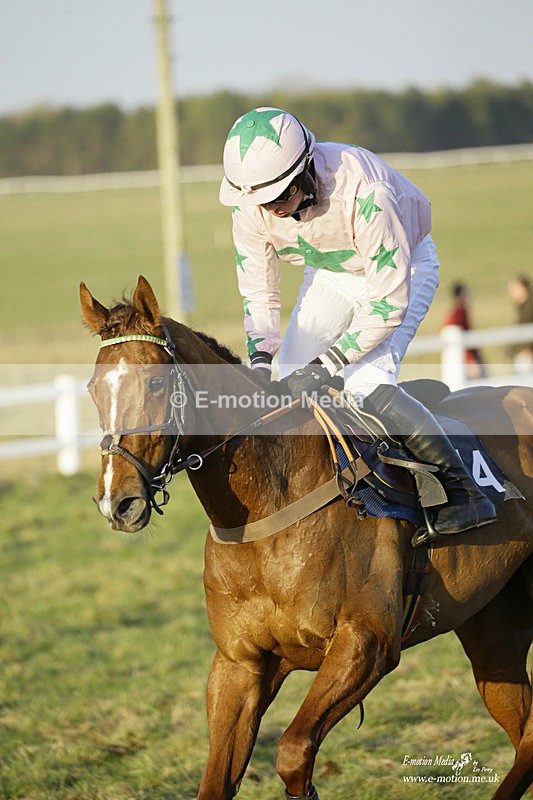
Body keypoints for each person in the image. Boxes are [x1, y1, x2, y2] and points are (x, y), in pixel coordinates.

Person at [219, 107, 496, 536]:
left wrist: (328, 364)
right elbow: (260, 291)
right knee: (287, 376)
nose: (270, 211)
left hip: (401, 269)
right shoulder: (250, 206)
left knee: (364, 384)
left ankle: (463, 492)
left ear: (306, 171)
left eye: (280, 198)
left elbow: (387, 304)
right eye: (261, 202)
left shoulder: (368, 193)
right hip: (332, 272)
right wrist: (260, 358)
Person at [441, 282, 486, 379]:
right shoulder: (460, 312)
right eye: (466, 293)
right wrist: (470, 359)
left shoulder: (454, 312)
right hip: (464, 357)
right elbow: (464, 336)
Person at [507, 275, 533, 371]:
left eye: (514, 290)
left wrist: (528, 349)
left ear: (522, 288)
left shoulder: (529, 308)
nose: (512, 294)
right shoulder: (523, 307)